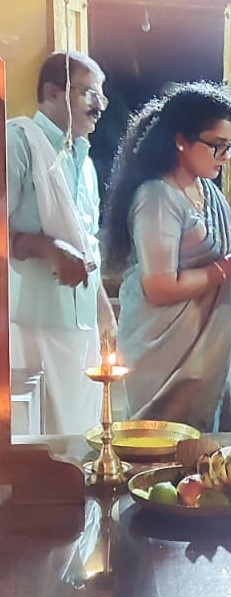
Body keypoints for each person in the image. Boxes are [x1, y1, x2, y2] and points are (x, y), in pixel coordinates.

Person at [104, 83, 231, 432]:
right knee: (165, 443)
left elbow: (223, 251)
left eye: (229, 145)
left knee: (206, 448)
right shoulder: (157, 197)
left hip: (208, 348)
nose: (225, 155)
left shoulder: (207, 190)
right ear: (181, 140)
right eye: (216, 145)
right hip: (165, 350)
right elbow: (159, 286)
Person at [7, 51, 118, 435]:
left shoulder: (83, 160)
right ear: (52, 92)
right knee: (36, 439)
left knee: (81, 434)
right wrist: (48, 249)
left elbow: (87, 246)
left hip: (81, 323)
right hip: (28, 320)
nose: (99, 106)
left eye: (102, 96)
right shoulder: (18, 141)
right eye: (89, 93)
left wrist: (104, 310)